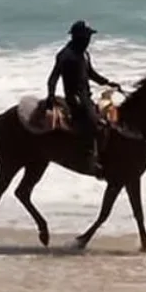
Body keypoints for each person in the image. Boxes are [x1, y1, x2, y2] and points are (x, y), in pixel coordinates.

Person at [43, 20, 122, 178]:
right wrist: (51, 95)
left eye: (89, 37)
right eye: (86, 37)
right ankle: (91, 159)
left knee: (110, 117)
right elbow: (53, 78)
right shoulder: (65, 55)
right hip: (75, 99)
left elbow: (91, 73)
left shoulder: (85, 54)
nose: (88, 41)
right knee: (95, 125)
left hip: (86, 97)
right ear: (78, 38)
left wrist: (106, 82)